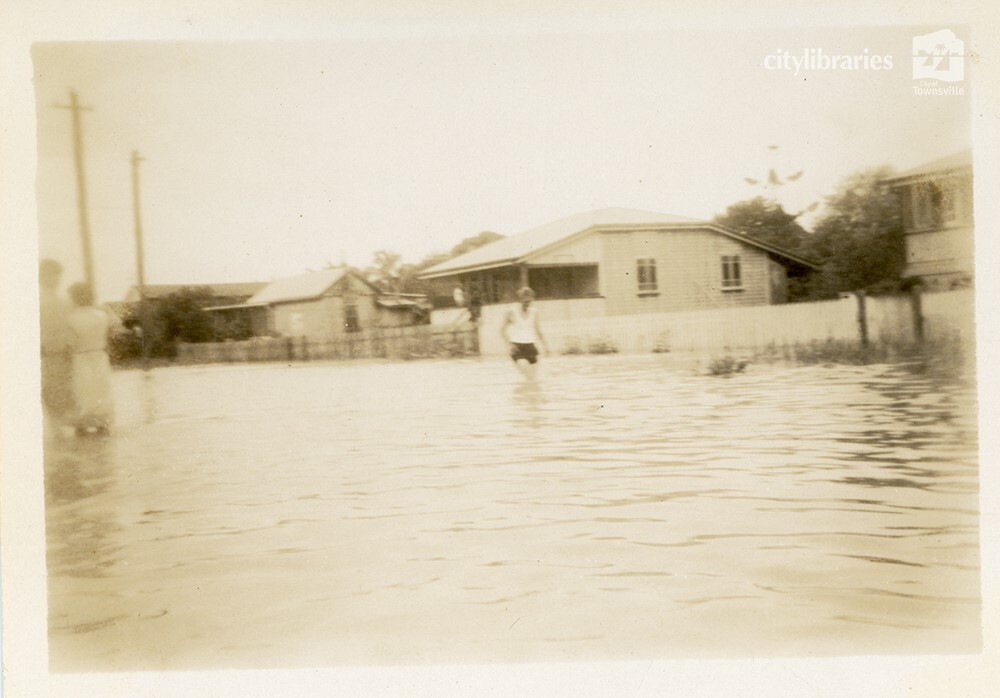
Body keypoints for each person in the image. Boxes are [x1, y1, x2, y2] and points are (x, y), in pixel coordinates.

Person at [66, 282, 115, 435]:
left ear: (75, 298)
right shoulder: (102, 315)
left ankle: (82, 424)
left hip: (80, 357)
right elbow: (110, 333)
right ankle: (102, 423)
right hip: (99, 355)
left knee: (82, 390)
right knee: (101, 389)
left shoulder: (71, 318)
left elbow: (69, 342)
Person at [39, 259, 75, 431]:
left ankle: (58, 424)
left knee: (61, 388)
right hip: (45, 352)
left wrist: (69, 346)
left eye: (57, 276)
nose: (56, 279)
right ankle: (55, 425)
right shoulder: (37, 299)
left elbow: (69, 326)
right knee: (49, 387)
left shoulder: (63, 301)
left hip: (62, 351)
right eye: (51, 275)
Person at [500, 286, 548, 380]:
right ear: (520, 299)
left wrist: (546, 346)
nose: (527, 304)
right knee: (527, 373)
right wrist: (510, 344)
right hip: (517, 348)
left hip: (531, 347)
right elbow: (502, 330)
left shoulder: (534, 312)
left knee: (532, 379)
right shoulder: (511, 311)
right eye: (525, 301)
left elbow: (538, 330)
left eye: (529, 301)